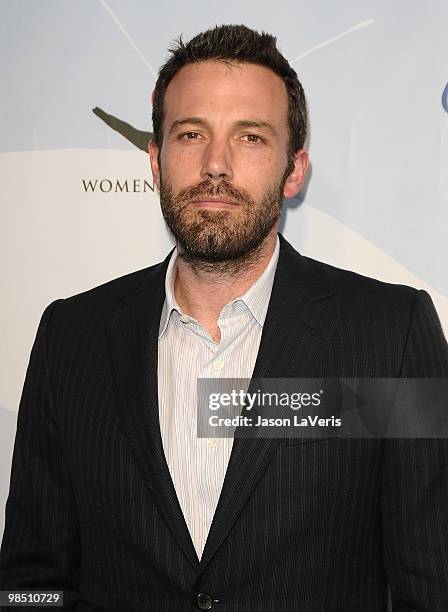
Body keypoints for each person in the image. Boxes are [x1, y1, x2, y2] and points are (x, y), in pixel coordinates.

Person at [1, 24, 447, 612]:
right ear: (156, 161)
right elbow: (30, 586)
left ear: (294, 171)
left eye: (251, 137)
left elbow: (432, 585)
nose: (215, 164)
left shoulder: (391, 335)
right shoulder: (71, 336)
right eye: (191, 134)